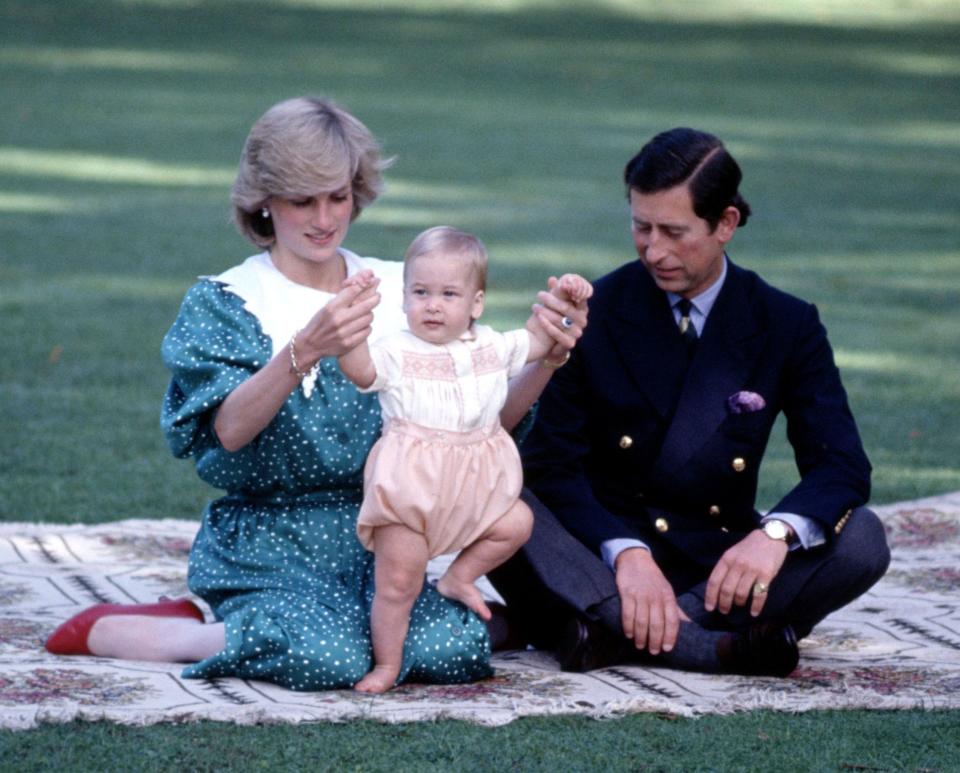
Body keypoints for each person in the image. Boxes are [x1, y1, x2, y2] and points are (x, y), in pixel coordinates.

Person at [43, 97, 588, 691]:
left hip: (380, 537)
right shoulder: (228, 301)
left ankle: (315, 627)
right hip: (270, 539)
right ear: (264, 204)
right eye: (303, 200)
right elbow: (226, 432)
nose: (325, 218)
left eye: (338, 196)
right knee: (326, 658)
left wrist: (549, 358)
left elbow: (479, 423)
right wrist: (304, 349)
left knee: (453, 649)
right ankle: (179, 631)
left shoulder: (403, 288)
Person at [488, 127, 891, 677]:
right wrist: (626, 551)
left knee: (863, 538)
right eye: (641, 227)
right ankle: (706, 647)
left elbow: (841, 464)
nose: (654, 251)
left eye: (674, 232)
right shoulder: (596, 311)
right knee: (493, 487)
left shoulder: (786, 323)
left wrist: (773, 536)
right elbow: (550, 466)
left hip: (716, 566)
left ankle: (601, 633)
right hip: (599, 556)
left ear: (725, 223)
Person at [337, 226, 592, 692]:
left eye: (448, 294)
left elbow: (539, 340)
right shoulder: (396, 350)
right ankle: (387, 665)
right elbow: (360, 370)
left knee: (516, 522)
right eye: (420, 292)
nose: (432, 304)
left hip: (474, 489)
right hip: (409, 489)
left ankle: (459, 576)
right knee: (398, 585)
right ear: (404, 298)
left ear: (475, 304)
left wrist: (566, 299)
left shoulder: (491, 346)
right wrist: (349, 330)